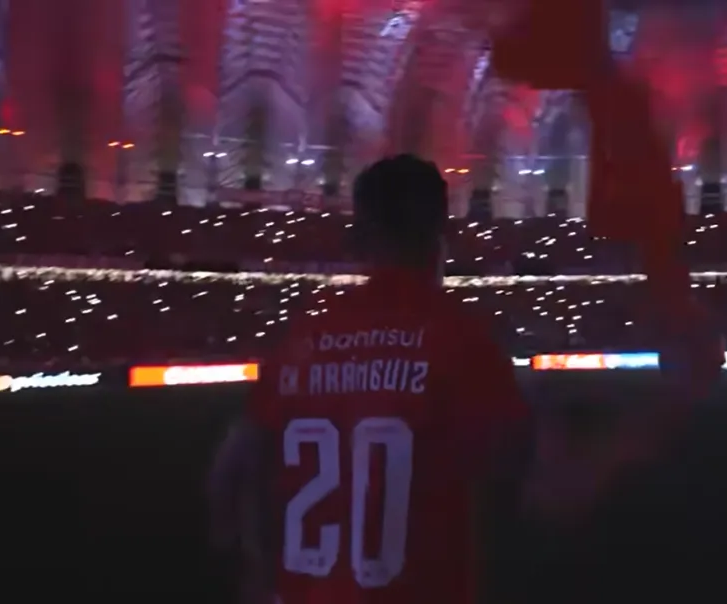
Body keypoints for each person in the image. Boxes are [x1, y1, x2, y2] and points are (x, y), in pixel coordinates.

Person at [207, 154, 536, 604]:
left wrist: (256, 574)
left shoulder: (303, 335)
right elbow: (522, 479)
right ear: (443, 233)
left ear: (360, 237)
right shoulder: (459, 336)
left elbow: (231, 468)